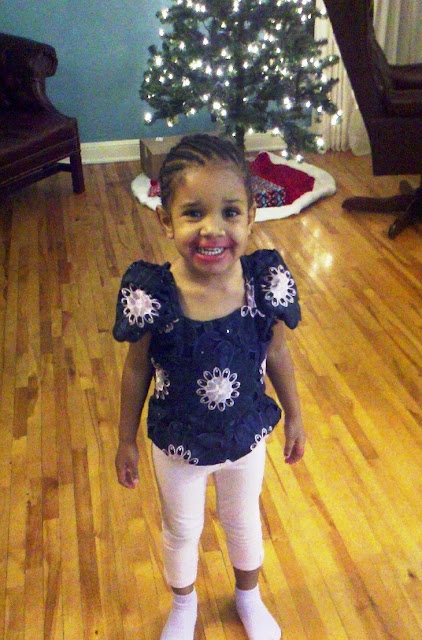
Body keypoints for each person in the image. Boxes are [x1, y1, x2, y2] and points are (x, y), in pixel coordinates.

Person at [113, 133, 306, 640]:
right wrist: (125, 438)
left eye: (230, 212)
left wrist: (296, 416)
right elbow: (135, 369)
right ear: (165, 219)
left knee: (243, 521)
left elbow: (277, 353)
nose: (212, 229)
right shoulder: (153, 293)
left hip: (245, 437)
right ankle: (183, 605)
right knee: (182, 530)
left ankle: (248, 597)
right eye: (193, 213)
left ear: (251, 216)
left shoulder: (263, 284)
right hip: (178, 443)